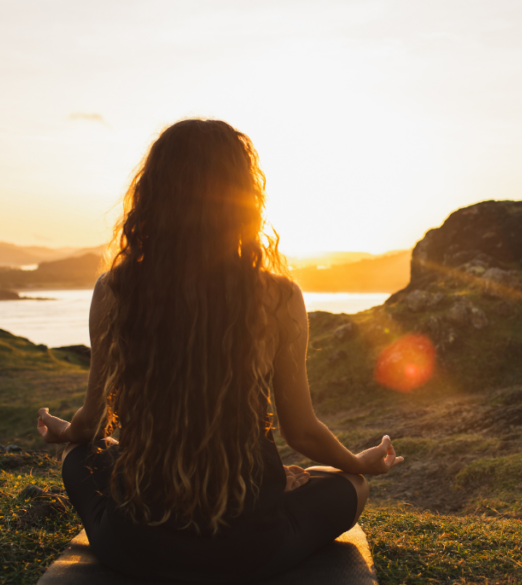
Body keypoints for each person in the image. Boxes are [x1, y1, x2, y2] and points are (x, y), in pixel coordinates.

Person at [36, 118, 403, 583]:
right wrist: (356, 462)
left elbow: (91, 425)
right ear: (243, 200)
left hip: (134, 545)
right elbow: (302, 431)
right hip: (250, 549)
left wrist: (68, 431)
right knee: (352, 487)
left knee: (77, 457)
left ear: (153, 194)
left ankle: (264, 488)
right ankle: (267, 491)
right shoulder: (277, 296)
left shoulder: (116, 290)